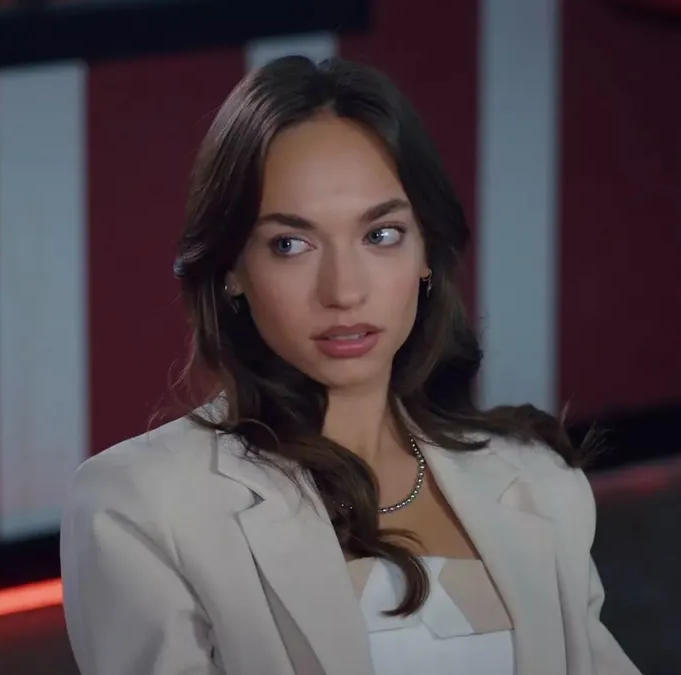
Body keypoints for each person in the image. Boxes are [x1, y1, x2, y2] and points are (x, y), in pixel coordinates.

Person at [59, 55, 641, 675]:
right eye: (291, 244)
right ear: (231, 270)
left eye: (380, 235)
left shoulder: (538, 480)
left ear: (426, 250)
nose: (343, 290)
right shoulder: (141, 507)